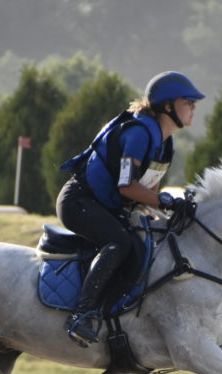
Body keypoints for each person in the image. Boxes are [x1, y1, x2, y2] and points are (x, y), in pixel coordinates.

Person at [56, 71, 204, 347]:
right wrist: (167, 202)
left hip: (105, 207)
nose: (194, 107)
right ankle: (81, 314)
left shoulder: (165, 143)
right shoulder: (138, 134)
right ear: (168, 105)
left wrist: (167, 210)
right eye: (189, 101)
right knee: (119, 242)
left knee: (145, 243)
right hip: (79, 202)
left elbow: (149, 192)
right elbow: (127, 187)